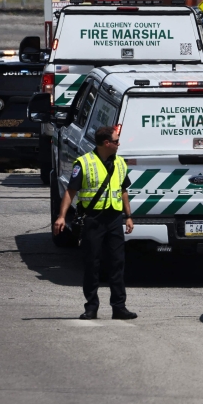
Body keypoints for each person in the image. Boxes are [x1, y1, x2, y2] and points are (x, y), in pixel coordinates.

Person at [53, 126, 137, 321]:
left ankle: (119, 307)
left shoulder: (120, 164)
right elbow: (70, 191)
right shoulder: (84, 163)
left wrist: (129, 216)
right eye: (116, 141)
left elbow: (123, 190)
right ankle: (91, 307)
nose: (119, 144)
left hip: (114, 218)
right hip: (93, 219)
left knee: (117, 263)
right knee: (92, 263)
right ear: (106, 143)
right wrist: (61, 216)